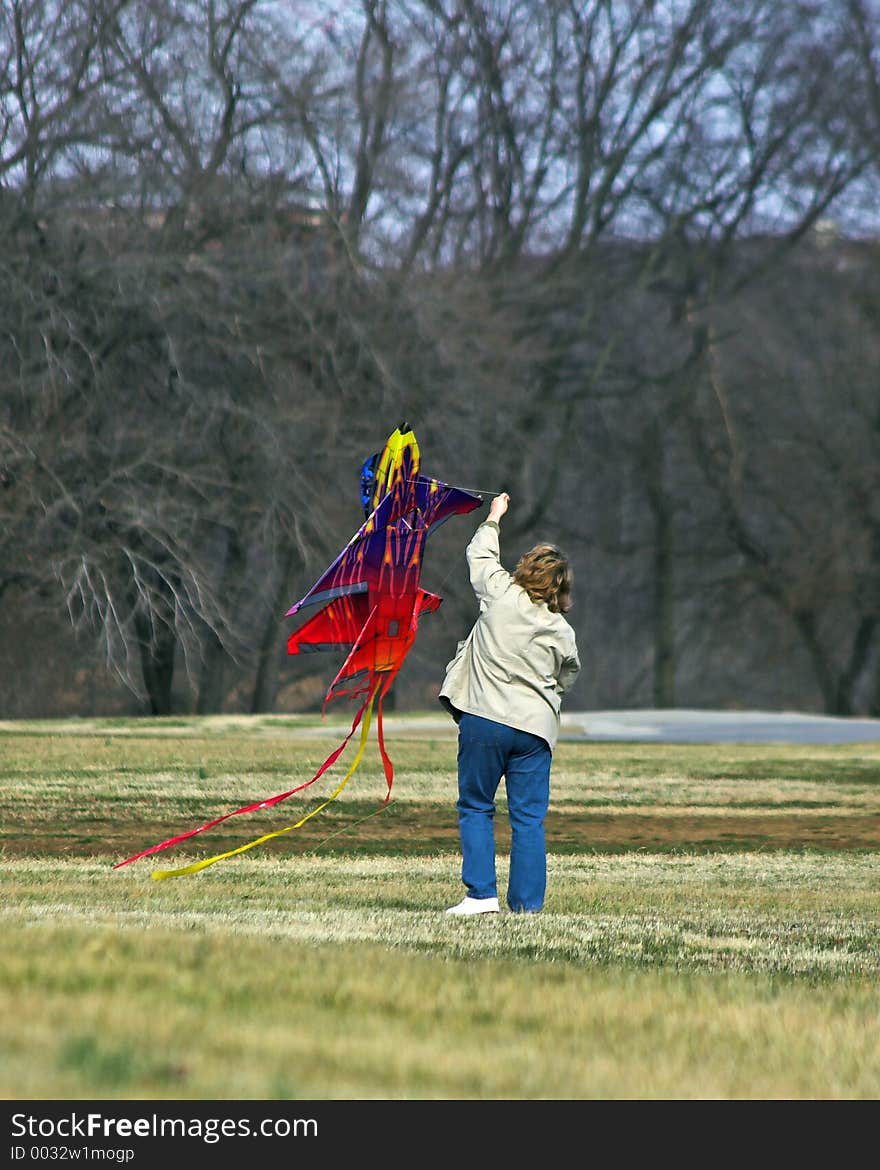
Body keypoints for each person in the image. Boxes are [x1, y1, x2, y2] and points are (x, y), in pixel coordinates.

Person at [438, 492, 580, 915]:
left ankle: (481, 896)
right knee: (528, 820)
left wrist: (495, 516)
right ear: (561, 587)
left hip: (484, 720)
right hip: (535, 733)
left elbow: (478, 553)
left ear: (525, 570)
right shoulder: (561, 630)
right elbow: (568, 675)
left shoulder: (500, 593)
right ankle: (527, 907)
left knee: (477, 806)